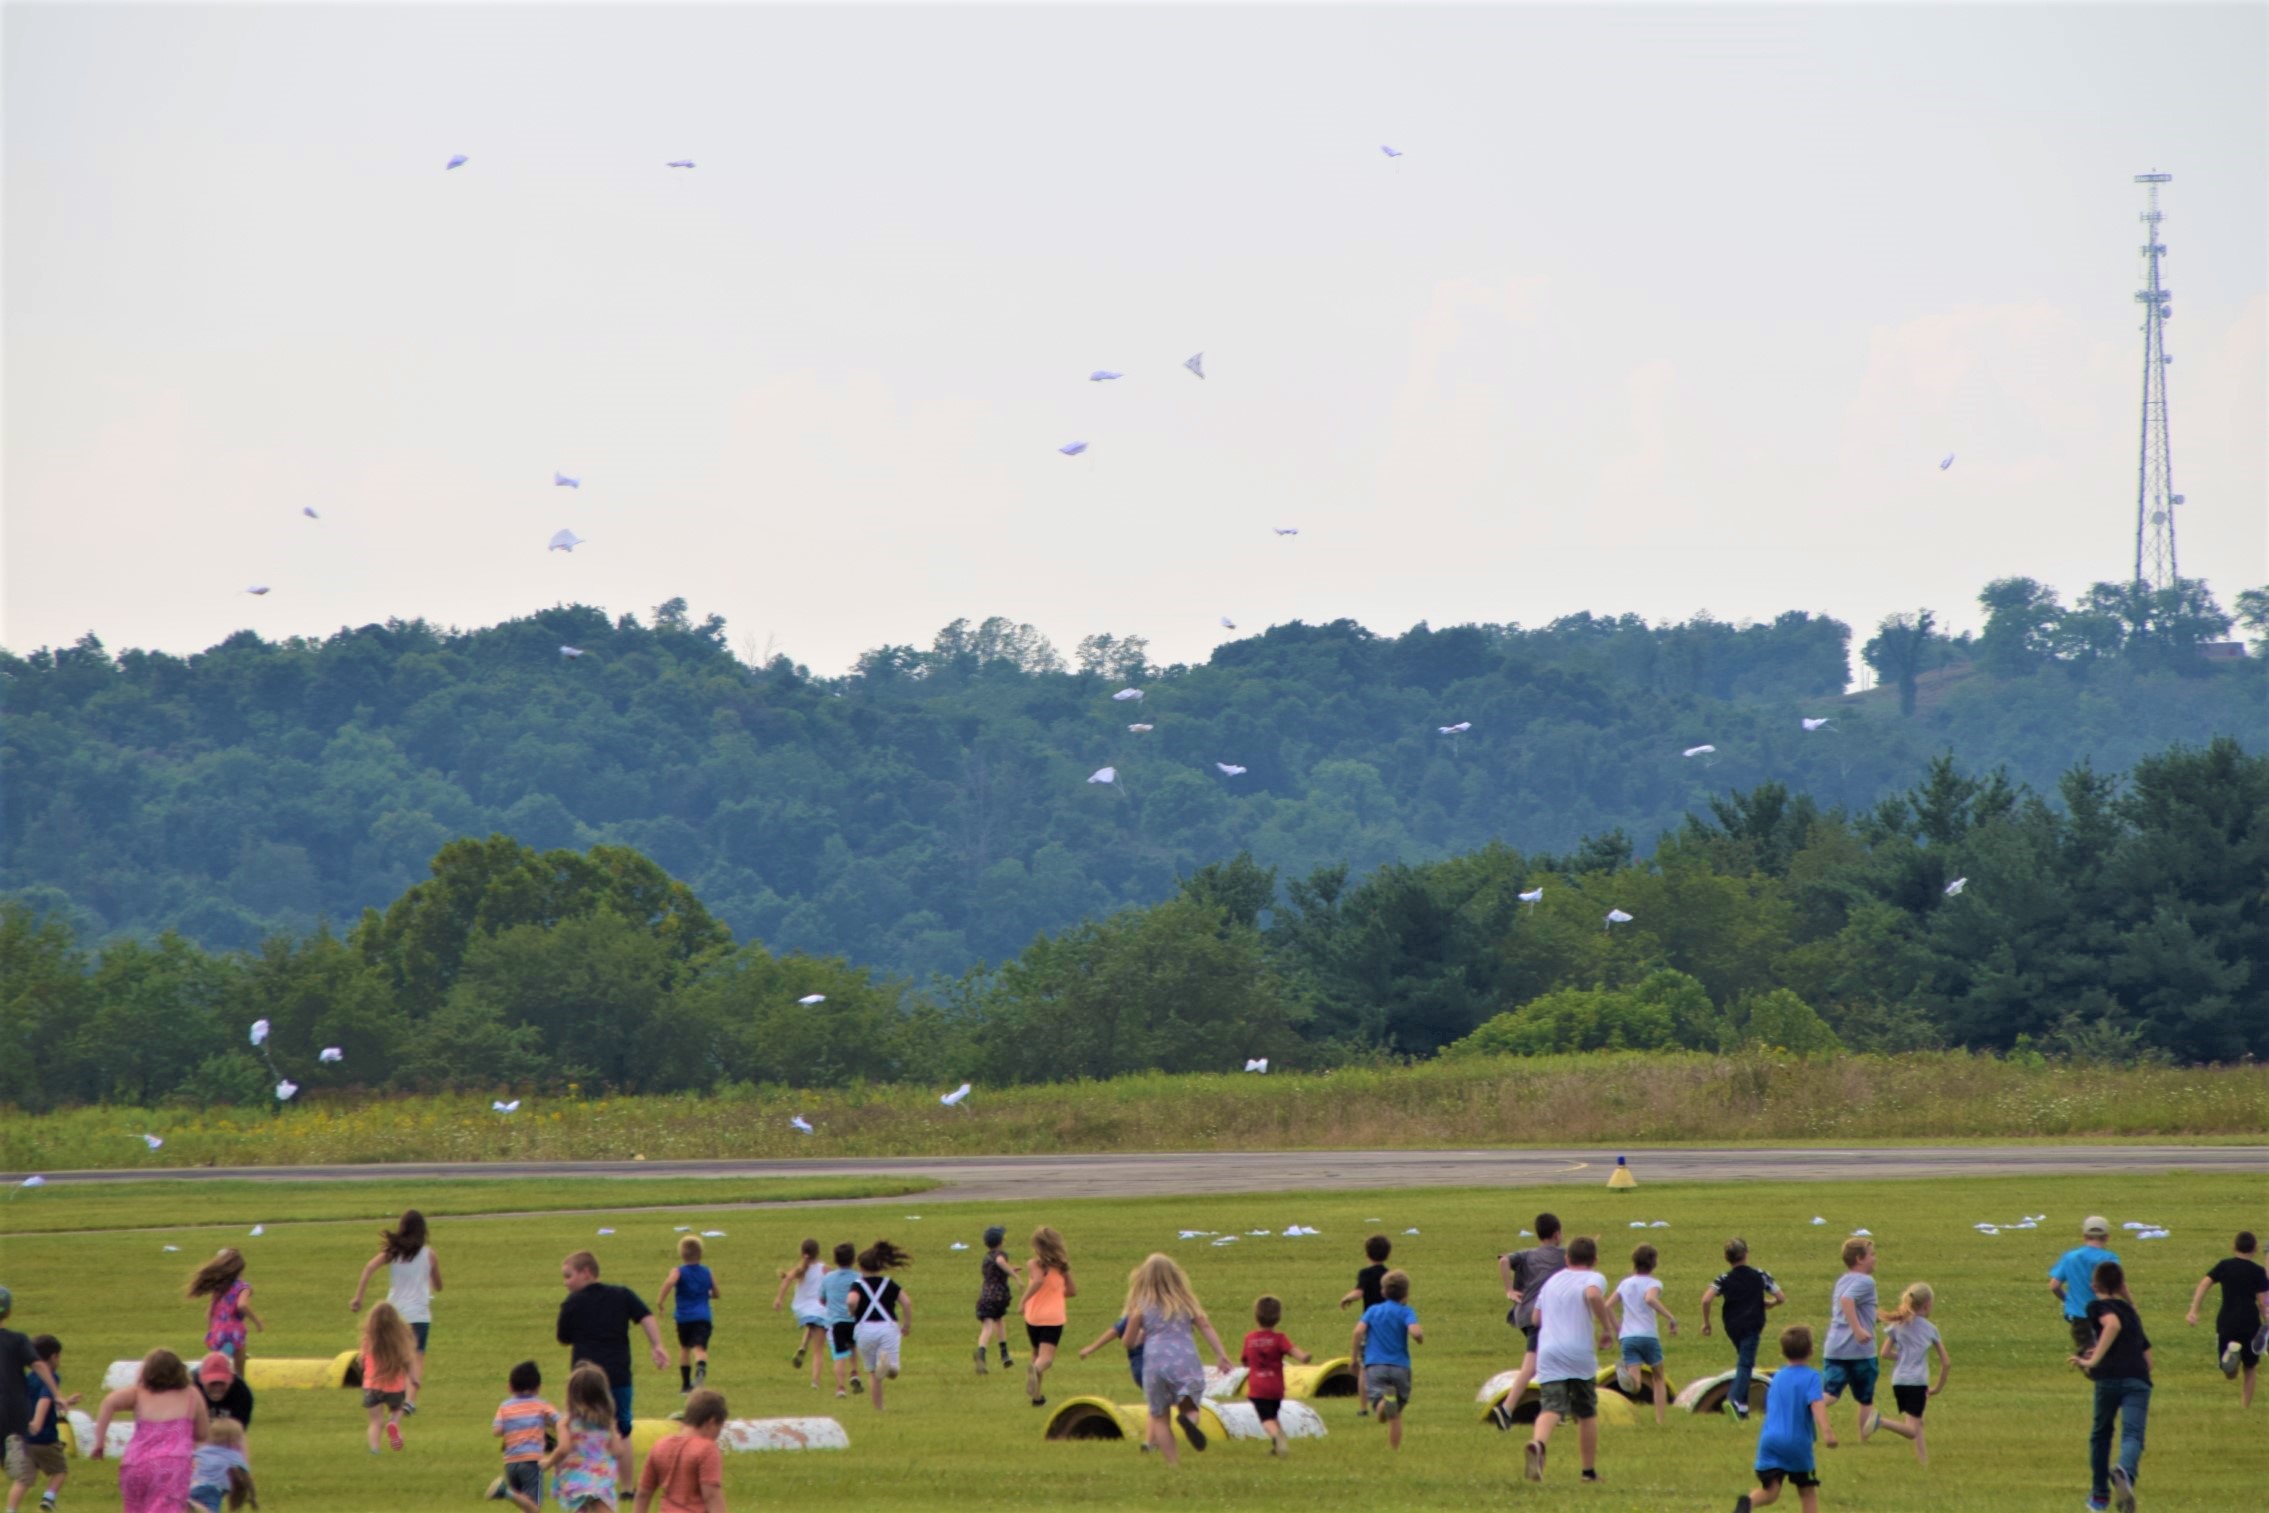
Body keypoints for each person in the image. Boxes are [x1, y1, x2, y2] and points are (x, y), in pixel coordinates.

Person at [1121, 1254, 1234, 1466]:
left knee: (1160, 1417)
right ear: (1175, 1277)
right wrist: (1221, 1354)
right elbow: (1205, 1327)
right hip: (1184, 1360)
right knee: (1190, 1404)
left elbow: (1128, 1342)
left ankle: (1173, 1464)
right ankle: (1189, 1420)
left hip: (1154, 1364)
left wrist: (1142, 1336)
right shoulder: (1185, 1303)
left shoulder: (1140, 1308)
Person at [555, 1251, 668, 1449]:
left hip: (584, 1378)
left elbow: (563, 1338)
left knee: (582, 1426)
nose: (565, 1283)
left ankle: (588, 1474)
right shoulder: (621, 1294)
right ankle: (625, 1481)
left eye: (568, 1276)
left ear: (586, 1273)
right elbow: (646, 1317)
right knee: (622, 1429)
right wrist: (657, 1345)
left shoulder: (572, 1302)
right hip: (618, 1374)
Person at [1525, 1235, 1614, 1484]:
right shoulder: (1593, 1277)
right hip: (1578, 1352)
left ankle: (1538, 1443)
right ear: (1595, 1260)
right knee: (1585, 1411)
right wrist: (1606, 1328)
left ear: (1567, 1258)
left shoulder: (1552, 1282)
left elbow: (1535, 1319)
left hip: (1548, 1351)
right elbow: (1594, 1295)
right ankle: (1588, 1472)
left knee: (1551, 1406)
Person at [2068, 1260, 2151, 1513]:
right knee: (2133, 1434)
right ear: (2120, 1286)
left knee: (2101, 1433)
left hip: (2109, 1379)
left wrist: (2092, 1359)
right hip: (2138, 1379)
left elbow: (2111, 1324)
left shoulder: (2097, 1306)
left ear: (2094, 1285)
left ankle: (2100, 1496)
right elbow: (2149, 1358)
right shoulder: (2132, 1315)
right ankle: (2124, 1471)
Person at [90, 1348, 208, 1513]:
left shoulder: (139, 1393)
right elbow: (202, 1434)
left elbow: (109, 1402)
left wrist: (99, 1441)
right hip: (172, 1465)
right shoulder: (191, 1395)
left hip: (135, 1464)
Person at [1732, 1325, 1835, 1513]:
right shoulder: (1812, 1377)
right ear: (1811, 1351)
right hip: (1797, 1442)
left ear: (1783, 1352)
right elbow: (1817, 1404)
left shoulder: (1777, 1377)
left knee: (1770, 1491)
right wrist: (1827, 1432)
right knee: (1807, 1491)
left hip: (1770, 1441)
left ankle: (1747, 1503)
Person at [349, 1208, 442, 1414]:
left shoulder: (393, 1252)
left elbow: (368, 1268)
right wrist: (430, 1280)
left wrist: (358, 1297)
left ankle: (382, 1392)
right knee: (416, 1357)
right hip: (419, 1315)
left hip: (396, 1314)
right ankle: (409, 1401)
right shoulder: (429, 1255)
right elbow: (438, 1284)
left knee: (392, 1355)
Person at [1491, 1214, 1566, 1430]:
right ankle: (1507, 1409)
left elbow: (1504, 1260)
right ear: (1557, 1234)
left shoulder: (1527, 1254)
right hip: (1542, 1315)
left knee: (1549, 1360)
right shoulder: (1563, 1255)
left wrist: (1508, 1290)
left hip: (1523, 1314)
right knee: (1532, 1365)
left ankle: (1554, 1411)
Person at [1702, 1237, 1786, 1422]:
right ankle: (1733, 1399)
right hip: (1752, 1324)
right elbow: (1781, 1297)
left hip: (1732, 1326)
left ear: (1727, 1258)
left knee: (1746, 1362)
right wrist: (1770, 1303)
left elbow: (1706, 1299)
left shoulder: (1724, 1278)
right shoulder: (1760, 1275)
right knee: (1745, 1364)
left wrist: (1706, 1323)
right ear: (1746, 1254)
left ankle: (1743, 1409)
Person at [2185, 1229, 2267, 1409]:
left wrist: (2194, 1311)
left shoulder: (2224, 1266)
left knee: (2229, 1373)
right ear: (2254, 1249)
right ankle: (2245, 1407)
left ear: (2233, 1246)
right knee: (2250, 1368)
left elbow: (2204, 1284)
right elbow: (2263, 1303)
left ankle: (2232, 1355)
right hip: (2250, 1324)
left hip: (2226, 1322)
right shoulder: (2258, 1271)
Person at [1870, 1282, 1948, 1464]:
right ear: (1927, 1304)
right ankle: (1879, 1422)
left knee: (1917, 1422)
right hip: (1917, 1382)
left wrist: (1904, 1357)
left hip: (1899, 1381)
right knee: (1912, 1430)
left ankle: (1923, 1462)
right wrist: (1937, 1387)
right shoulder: (1930, 1329)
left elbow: (1884, 1353)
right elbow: (1946, 1363)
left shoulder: (1898, 1325)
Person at [1352, 1269, 1422, 1452]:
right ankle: (1394, 1450)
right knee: (1395, 1413)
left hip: (1375, 1366)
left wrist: (1353, 1359)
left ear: (1383, 1292)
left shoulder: (1373, 1311)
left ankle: (1383, 1403)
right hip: (1400, 1367)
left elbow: (1358, 1331)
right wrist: (1418, 1337)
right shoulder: (1406, 1312)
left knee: (1381, 1407)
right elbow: (1415, 1331)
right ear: (1406, 1294)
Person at [544, 1363, 630, 1513]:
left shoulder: (567, 1422)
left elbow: (564, 1449)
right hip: (601, 1477)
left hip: (576, 1478)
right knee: (602, 1506)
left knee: (579, 1507)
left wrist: (548, 1462)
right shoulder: (607, 1421)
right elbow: (618, 1451)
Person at [1611, 1244, 1680, 1424]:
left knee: (1636, 1385)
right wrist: (1670, 1317)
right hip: (1648, 1336)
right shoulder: (1653, 1283)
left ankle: (1630, 1380)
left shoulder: (1624, 1284)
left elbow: (1606, 1306)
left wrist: (1617, 1328)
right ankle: (1660, 1420)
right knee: (1658, 1377)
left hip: (1627, 1337)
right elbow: (1650, 1298)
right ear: (1653, 1263)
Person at [1822, 1238, 1881, 1441]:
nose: (1875, 1259)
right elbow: (1847, 1301)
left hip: (1835, 1348)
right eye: (1871, 1254)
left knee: (1830, 1393)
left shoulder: (1843, 1279)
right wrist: (1858, 1330)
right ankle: (1864, 1440)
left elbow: (1853, 1306)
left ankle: (1805, 1409)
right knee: (1865, 1399)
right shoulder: (1866, 1281)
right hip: (1859, 1351)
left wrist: (1880, 1318)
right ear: (1860, 1259)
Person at [633, 1386, 727, 1513]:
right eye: (719, 1428)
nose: (717, 1435)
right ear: (711, 1422)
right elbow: (711, 1495)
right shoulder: (707, 1449)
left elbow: (643, 1493)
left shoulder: (660, 1445)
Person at [846, 1240, 915, 1413]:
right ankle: (890, 1367)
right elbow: (906, 1302)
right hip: (887, 1328)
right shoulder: (888, 1283)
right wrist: (906, 1325)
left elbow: (851, 1300)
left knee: (873, 1373)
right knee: (893, 1370)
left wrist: (851, 1311)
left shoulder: (858, 1284)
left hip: (864, 1329)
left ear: (861, 1267)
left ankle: (879, 1409)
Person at [9, 1334, 74, 1513]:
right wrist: (37, 1422)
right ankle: (48, 1498)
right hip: (45, 1438)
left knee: (23, 1479)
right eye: (58, 1356)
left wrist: (66, 1401)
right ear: (53, 1356)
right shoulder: (51, 1377)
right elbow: (45, 1400)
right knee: (60, 1470)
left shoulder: (29, 1377)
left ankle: (10, 1510)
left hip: (25, 1438)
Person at [1241, 1295, 1311, 1458]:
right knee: (1273, 1415)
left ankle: (1278, 1438)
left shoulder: (1249, 1339)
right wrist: (1304, 1357)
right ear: (1278, 1318)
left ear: (1256, 1316)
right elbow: (1293, 1351)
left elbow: (1245, 1361)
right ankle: (1278, 1446)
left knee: (1266, 1419)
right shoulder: (1279, 1338)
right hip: (1276, 1387)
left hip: (1258, 1387)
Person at [487, 1358, 559, 1513]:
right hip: (532, 1461)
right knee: (535, 1508)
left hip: (511, 1462)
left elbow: (497, 1430)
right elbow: (559, 1422)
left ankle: (508, 1492)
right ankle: (504, 1491)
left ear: (510, 1387)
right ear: (538, 1387)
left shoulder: (505, 1407)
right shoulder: (541, 1405)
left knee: (524, 1504)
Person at [2049, 1217, 2124, 1354]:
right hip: (2105, 1313)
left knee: (2088, 1352)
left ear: (2084, 1236)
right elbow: (2119, 1285)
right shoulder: (2110, 1258)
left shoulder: (2070, 1257)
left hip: (2078, 1314)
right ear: (2107, 1237)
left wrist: (2068, 1300)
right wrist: (2130, 1303)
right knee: (2107, 1352)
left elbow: (2054, 1286)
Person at [1019, 1226, 1076, 1407]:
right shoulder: (1062, 1267)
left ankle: (1036, 1397)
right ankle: (1035, 1370)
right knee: (1046, 1359)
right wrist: (1057, 1293)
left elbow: (1037, 1280)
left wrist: (1023, 1300)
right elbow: (1072, 1291)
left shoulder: (1033, 1264)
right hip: (1053, 1318)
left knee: (1036, 1353)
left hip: (1033, 1316)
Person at [1339, 1234, 1392, 1417]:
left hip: (1370, 1324)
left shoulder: (1365, 1274)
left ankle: (1363, 1408)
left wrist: (1346, 1298)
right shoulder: (1389, 1275)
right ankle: (1387, 1401)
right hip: (1388, 1324)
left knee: (1364, 1367)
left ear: (1367, 1254)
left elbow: (1359, 1293)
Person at [661, 1236, 723, 1394]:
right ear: (700, 1254)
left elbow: (669, 1282)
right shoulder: (707, 1272)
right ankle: (700, 1370)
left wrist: (660, 1300)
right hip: (703, 1317)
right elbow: (716, 1293)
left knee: (684, 1348)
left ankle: (685, 1385)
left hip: (684, 1317)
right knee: (699, 1349)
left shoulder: (678, 1271)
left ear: (682, 1254)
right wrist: (708, 1293)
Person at [359, 1300, 420, 1453]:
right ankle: (393, 1422)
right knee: (397, 1409)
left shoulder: (369, 1340)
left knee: (375, 1421)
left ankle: (375, 1450)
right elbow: (407, 1361)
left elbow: (362, 1361)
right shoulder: (399, 1341)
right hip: (394, 1387)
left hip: (371, 1386)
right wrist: (414, 1378)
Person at [187, 1249, 264, 1364]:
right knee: (237, 1368)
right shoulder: (243, 1287)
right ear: (240, 1269)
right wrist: (258, 1322)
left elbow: (209, 1314)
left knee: (220, 1363)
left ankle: (221, 1359)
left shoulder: (219, 1288)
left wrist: (212, 1330)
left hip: (217, 1330)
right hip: (233, 1331)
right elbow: (242, 1305)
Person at [768, 1239, 822, 1386]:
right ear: (818, 1252)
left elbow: (786, 1280)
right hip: (821, 1309)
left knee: (812, 1326)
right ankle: (815, 1382)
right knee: (818, 1346)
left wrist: (779, 1299)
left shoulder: (800, 1269)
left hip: (804, 1309)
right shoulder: (824, 1268)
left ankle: (803, 1346)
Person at [816, 1243, 865, 1399]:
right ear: (853, 1259)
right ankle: (855, 1372)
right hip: (854, 1321)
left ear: (835, 1259)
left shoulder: (828, 1279)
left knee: (839, 1355)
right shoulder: (859, 1278)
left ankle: (841, 1387)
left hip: (836, 1323)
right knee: (853, 1345)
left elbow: (822, 1300)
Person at [973, 1225, 1019, 1377]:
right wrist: (1015, 1276)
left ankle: (981, 1354)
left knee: (988, 1327)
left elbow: (996, 1268)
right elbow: (1000, 1262)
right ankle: (1004, 1354)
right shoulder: (1001, 1254)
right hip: (999, 1296)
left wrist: (1010, 1269)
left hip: (985, 1296)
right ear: (1000, 1241)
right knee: (999, 1320)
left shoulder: (986, 1257)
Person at [185, 1417, 255, 1512]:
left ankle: (191, 1504)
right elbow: (245, 1477)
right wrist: (252, 1496)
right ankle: (198, 1507)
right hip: (212, 1488)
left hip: (192, 1486)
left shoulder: (203, 1450)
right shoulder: (234, 1456)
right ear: (236, 1438)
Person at [1077, 1317, 1146, 1394]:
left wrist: (1091, 1348)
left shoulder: (1136, 1315)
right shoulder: (1157, 1315)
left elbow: (1116, 1333)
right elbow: (1115, 1331)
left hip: (1141, 1364)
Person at [196, 1352, 255, 1431]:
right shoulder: (191, 1391)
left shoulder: (242, 1394)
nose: (217, 1388)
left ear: (231, 1380)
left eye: (222, 1383)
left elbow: (238, 1433)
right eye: (212, 1383)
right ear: (201, 1380)